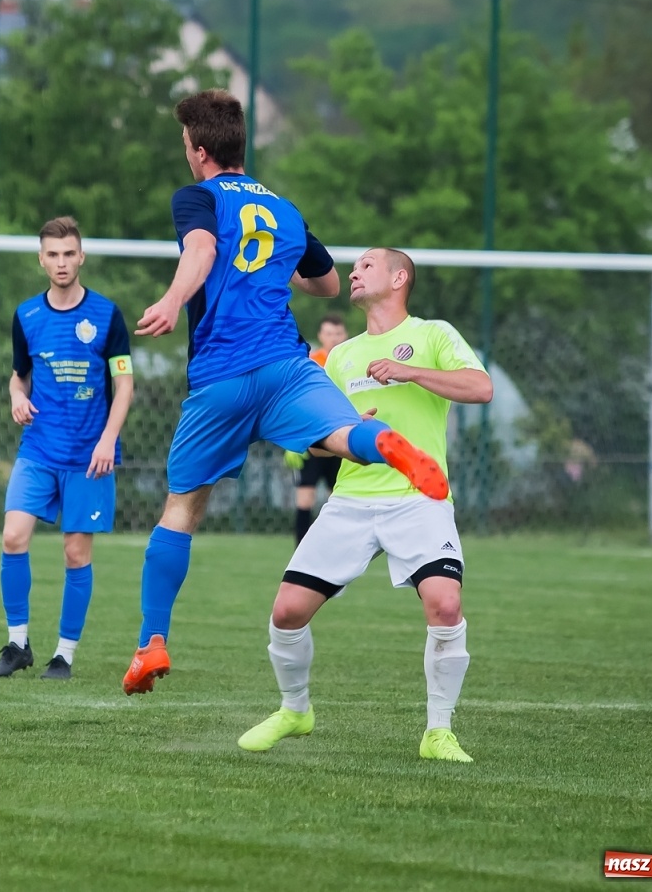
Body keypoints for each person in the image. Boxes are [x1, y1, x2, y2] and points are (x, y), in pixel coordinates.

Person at [122, 90, 448, 697]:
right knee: (343, 437)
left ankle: (152, 644)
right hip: (286, 364)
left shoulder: (196, 197)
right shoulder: (287, 211)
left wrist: (171, 300)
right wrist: (278, 266)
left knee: (182, 509)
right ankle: (390, 446)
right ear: (241, 145)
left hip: (220, 376)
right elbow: (326, 284)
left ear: (198, 151)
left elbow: (202, 249)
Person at [238, 248, 492, 762]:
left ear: (399, 278)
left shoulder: (433, 335)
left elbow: (481, 387)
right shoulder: (341, 356)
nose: (352, 272)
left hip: (419, 498)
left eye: (367, 266)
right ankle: (294, 710)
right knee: (287, 612)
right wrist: (344, 433)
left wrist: (413, 373)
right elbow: (310, 443)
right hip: (351, 499)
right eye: (353, 267)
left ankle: (438, 732)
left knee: (445, 605)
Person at [0, 217, 135, 681]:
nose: (61, 262)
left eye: (69, 253)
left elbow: (125, 383)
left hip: (89, 456)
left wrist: (109, 438)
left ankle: (64, 655)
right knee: (13, 537)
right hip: (39, 450)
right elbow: (19, 374)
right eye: (52, 254)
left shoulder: (107, 315)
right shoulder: (27, 316)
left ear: (82, 256)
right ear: (41, 259)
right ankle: (17, 644)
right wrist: (16, 396)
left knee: (76, 553)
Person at [288, 313, 349, 544]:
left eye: (338, 333)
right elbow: (297, 401)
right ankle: (301, 551)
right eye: (329, 333)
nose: (334, 338)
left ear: (345, 335)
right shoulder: (310, 362)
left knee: (339, 498)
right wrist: (293, 442)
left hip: (342, 437)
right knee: (305, 497)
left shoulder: (351, 362)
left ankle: (337, 547)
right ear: (321, 336)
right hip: (313, 438)